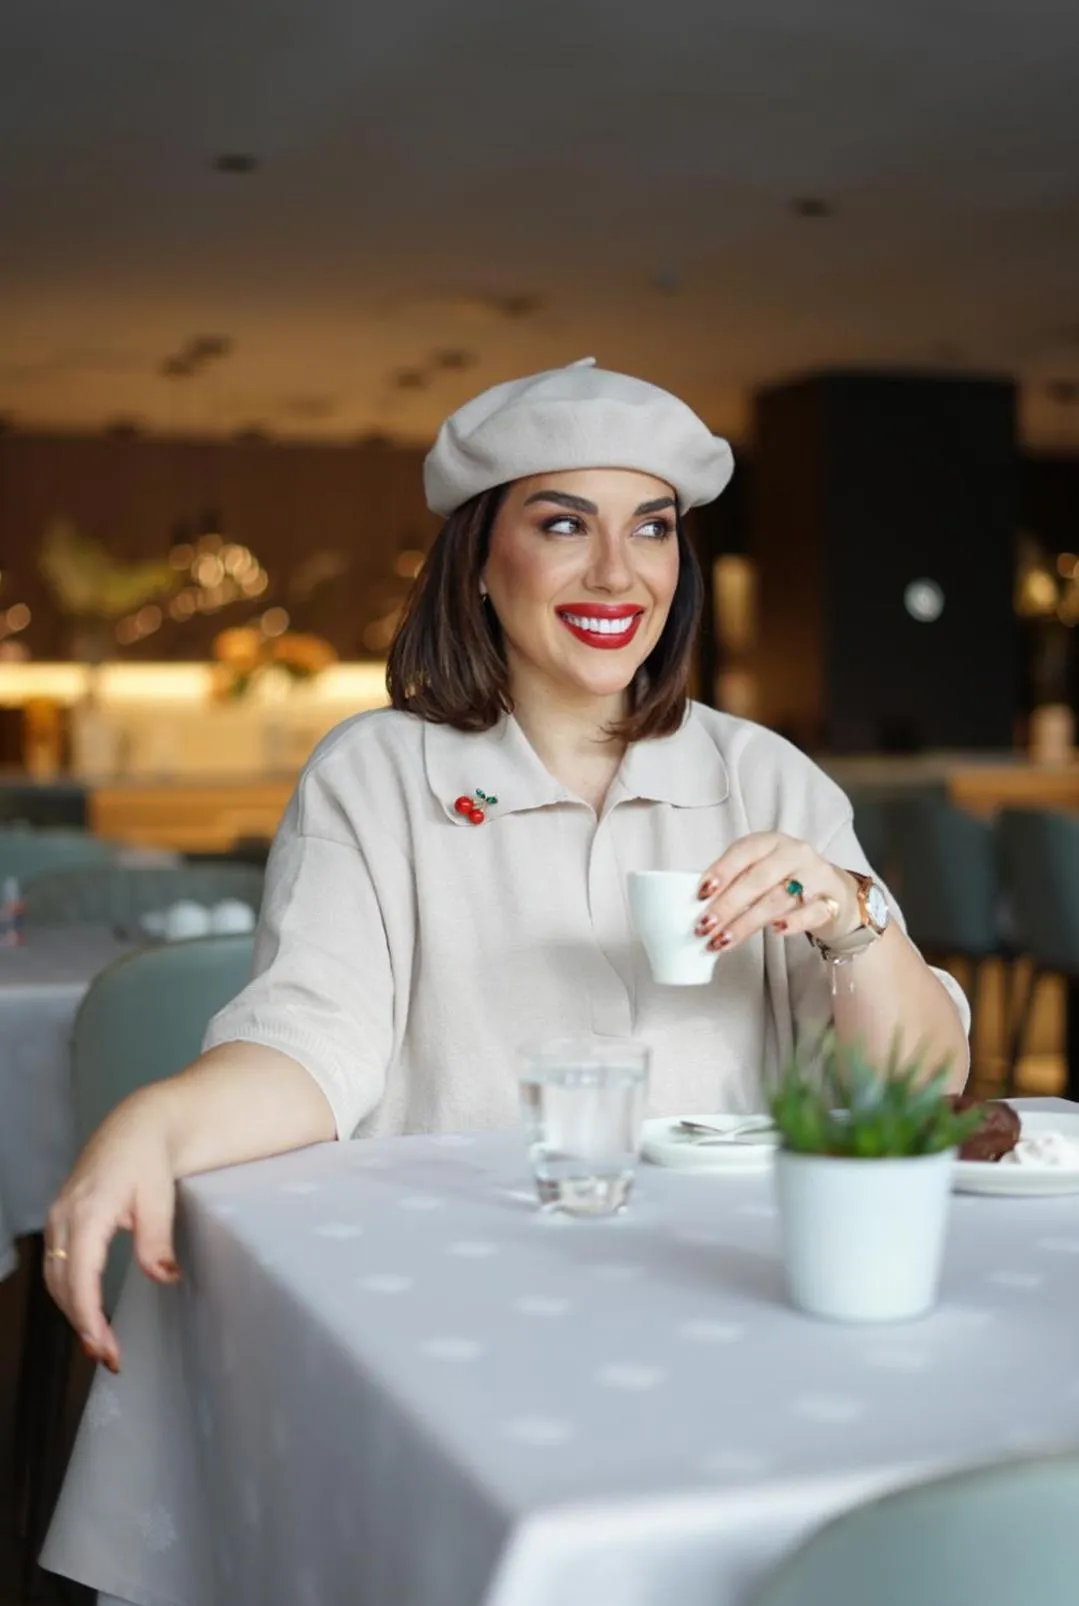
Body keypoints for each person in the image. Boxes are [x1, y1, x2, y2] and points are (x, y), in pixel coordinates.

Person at [46, 358, 969, 1372]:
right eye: (564, 523)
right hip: (453, 1296)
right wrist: (154, 1121)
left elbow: (913, 1091)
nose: (618, 572)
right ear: (481, 560)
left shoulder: (763, 776)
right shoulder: (378, 773)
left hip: (734, 1287)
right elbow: (307, 1049)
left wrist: (849, 916)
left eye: (651, 526)